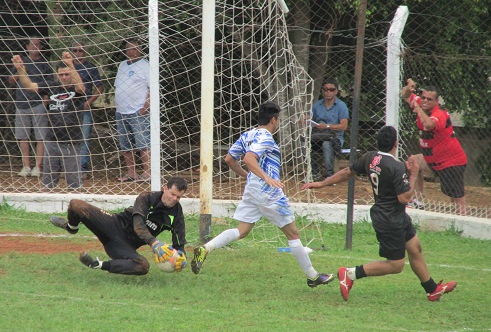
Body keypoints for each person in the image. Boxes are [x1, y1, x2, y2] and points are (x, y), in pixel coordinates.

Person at [302, 125, 457, 302]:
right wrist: (413, 174)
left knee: (415, 248)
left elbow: (347, 172)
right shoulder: (397, 166)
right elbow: (404, 198)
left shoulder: (370, 157)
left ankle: (432, 289)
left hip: (396, 216)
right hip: (389, 218)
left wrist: (323, 183)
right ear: (396, 143)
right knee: (396, 265)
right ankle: (350, 274)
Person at [192, 101, 335, 289]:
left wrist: (248, 176)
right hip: (268, 192)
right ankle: (313, 276)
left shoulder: (247, 135)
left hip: (252, 189)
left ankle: (206, 248)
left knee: (242, 230)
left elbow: (229, 158)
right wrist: (266, 178)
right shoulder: (266, 137)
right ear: (273, 120)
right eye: (278, 120)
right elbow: (248, 158)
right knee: (293, 234)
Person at [49, 177, 188, 275]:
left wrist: (179, 258)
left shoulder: (177, 215)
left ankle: (97, 264)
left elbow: (179, 243)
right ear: (165, 189)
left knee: (143, 266)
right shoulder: (147, 197)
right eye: (173, 194)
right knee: (76, 204)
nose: (174, 199)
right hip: (113, 224)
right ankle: (71, 228)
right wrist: (154, 242)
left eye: (178, 197)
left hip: (123, 245)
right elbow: (138, 224)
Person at [12, 51, 86, 191]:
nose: (64, 77)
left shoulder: (76, 91)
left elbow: (81, 88)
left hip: (71, 141)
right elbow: (29, 86)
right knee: (47, 185)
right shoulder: (52, 87)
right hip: (51, 140)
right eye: (61, 75)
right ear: (57, 75)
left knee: (74, 185)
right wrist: (21, 69)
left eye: (67, 74)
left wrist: (71, 65)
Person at [401, 78, 468, 214]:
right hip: (433, 159)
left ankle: (462, 221)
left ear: (436, 102)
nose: (424, 100)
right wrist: (409, 87)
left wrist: (418, 108)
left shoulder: (440, 114)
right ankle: (418, 201)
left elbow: (429, 125)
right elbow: (406, 95)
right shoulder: (421, 103)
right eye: (423, 97)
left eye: (429, 99)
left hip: (450, 161)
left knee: (456, 197)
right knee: (413, 162)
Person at [9, 37, 53, 177]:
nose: (35, 47)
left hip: (37, 103)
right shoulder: (21, 61)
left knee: (40, 136)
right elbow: (10, 80)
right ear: (27, 47)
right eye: (32, 44)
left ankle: (38, 167)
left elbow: (50, 84)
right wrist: (20, 70)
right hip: (21, 104)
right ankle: (26, 166)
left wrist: (45, 100)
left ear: (41, 47)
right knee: (23, 137)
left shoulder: (45, 64)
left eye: (38, 44)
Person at [114, 38, 151, 182]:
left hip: (138, 110)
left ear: (140, 50)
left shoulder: (145, 65)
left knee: (142, 143)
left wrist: (146, 106)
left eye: (135, 48)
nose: (131, 51)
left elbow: (152, 87)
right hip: (121, 110)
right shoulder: (122, 65)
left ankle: (147, 174)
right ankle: (131, 173)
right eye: (129, 48)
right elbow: (118, 86)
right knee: (125, 144)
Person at [70, 40, 104, 177]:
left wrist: (88, 102)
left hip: (84, 108)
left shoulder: (90, 67)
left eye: (81, 50)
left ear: (85, 52)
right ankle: (69, 167)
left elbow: (100, 87)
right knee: (69, 139)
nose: (78, 53)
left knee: (84, 138)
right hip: (68, 109)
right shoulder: (67, 67)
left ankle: (82, 168)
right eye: (75, 50)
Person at [309, 79, 349, 180]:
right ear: (322, 91)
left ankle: (330, 175)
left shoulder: (341, 106)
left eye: (331, 90)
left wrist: (327, 126)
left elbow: (344, 126)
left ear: (336, 91)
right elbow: (310, 120)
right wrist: (306, 120)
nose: (328, 92)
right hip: (318, 135)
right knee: (305, 142)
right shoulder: (317, 105)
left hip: (334, 137)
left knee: (326, 144)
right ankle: (314, 172)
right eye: (325, 89)